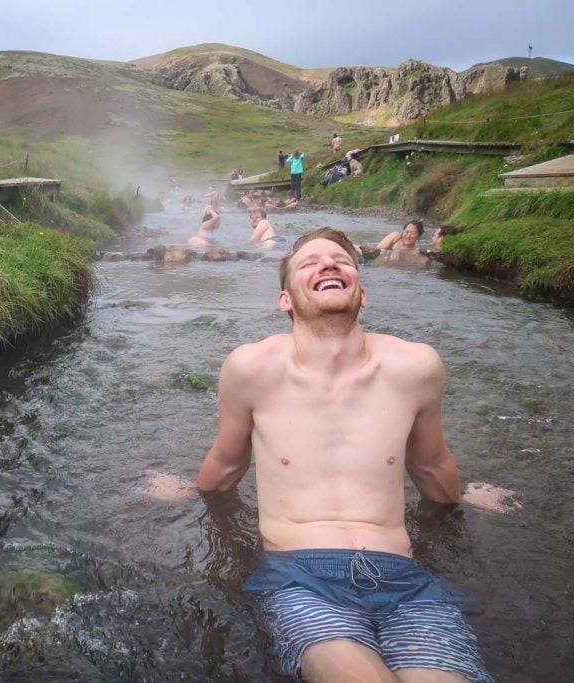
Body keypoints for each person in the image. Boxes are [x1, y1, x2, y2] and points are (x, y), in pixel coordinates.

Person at [197, 227, 497, 682]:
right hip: (298, 576)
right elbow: (227, 463)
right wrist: (189, 491)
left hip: (407, 581)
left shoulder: (414, 366)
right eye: (309, 262)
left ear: (363, 294)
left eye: (340, 259)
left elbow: (431, 465)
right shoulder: (252, 368)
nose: (328, 264)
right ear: (286, 300)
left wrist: (463, 498)